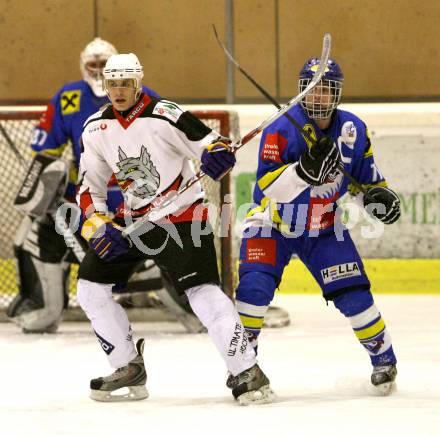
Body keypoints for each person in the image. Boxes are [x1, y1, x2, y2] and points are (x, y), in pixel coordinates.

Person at [75, 52, 273, 404]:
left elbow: (212, 144)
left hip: (183, 217)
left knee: (203, 293)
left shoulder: (166, 114)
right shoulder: (95, 127)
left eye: (125, 83)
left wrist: (218, 154)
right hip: (135, 220)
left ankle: (246, 370)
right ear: (104, 86)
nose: (119, 90)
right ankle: (127, 365)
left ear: (138, 83)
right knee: (90, 287)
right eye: (112, 84)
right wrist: (99, 224)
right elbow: (89, 187)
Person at [232, 57, 401, 396]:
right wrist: (302, 171)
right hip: (272, 223)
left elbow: (365, 182)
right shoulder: (280, 126)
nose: (318, 95)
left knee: (354, 295)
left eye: (326, 89)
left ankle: (384, 360)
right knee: (252, 292)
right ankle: (243, 369)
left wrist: (377, 197)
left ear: (336, 93)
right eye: (312, 88)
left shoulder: (354, 129)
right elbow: (268, 186)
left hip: (323, 226)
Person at [7, 37, 161, 333]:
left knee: (173, 243)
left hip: (137, 201)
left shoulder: (145, 97)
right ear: (83, 66)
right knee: (41, 234)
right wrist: (50, 180)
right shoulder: (70, 98)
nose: (98, 70)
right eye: (93, 65)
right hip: (89, 201)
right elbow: (46, 149)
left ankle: (186, 303)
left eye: (104, 65)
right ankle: (48, 309)